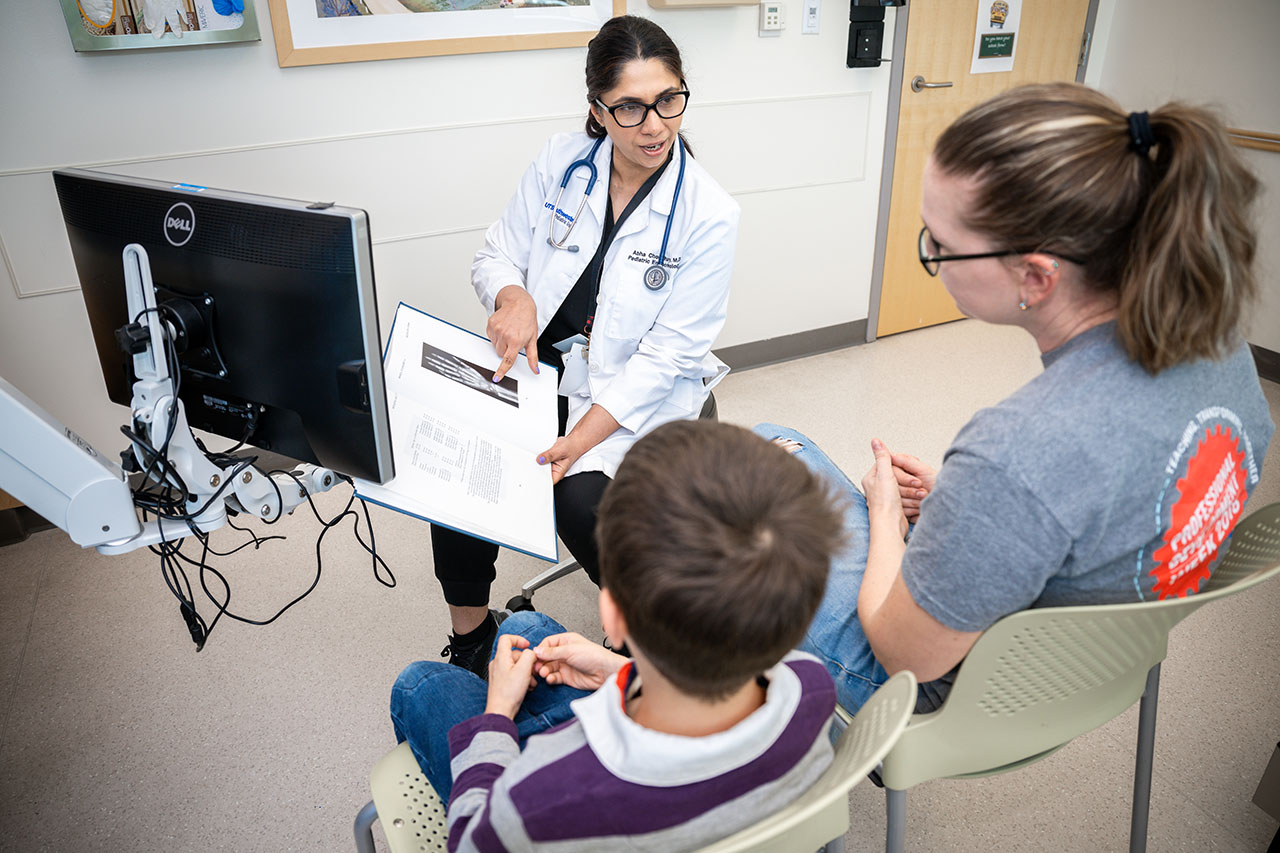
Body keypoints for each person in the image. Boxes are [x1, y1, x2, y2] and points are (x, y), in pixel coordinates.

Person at [762, 82, 1274, 715]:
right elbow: (1106, 493)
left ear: (1035, 276)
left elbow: (904, 656)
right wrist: (968, 506)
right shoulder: (1222, 345)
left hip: (953, 694)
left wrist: (890, 516)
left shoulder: (1016, 450)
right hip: (1107, 667)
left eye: (940, 245)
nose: (932, 256)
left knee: (761, 457)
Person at [432, 15, 739, 674]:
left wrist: (583, 438)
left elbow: (669, 357)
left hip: (638, 402)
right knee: (460, 462)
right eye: (629, 106)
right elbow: (497, 254)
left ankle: (641, 641)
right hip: (543, 375)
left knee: (576, 495)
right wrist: (513, 297)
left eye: (669, 99)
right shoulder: (561, 162)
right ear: (597, 110)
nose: (654, 123)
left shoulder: (710, 214)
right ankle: (473, 636)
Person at [390, 421, 845, 851]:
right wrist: (621, 671)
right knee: (524, 628)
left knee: (420, 684)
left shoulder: (536, 802)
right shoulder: (811, 685)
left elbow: (476, 838)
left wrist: (498, 717)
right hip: (688, 776)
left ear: (612, 616)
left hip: (582, 793)